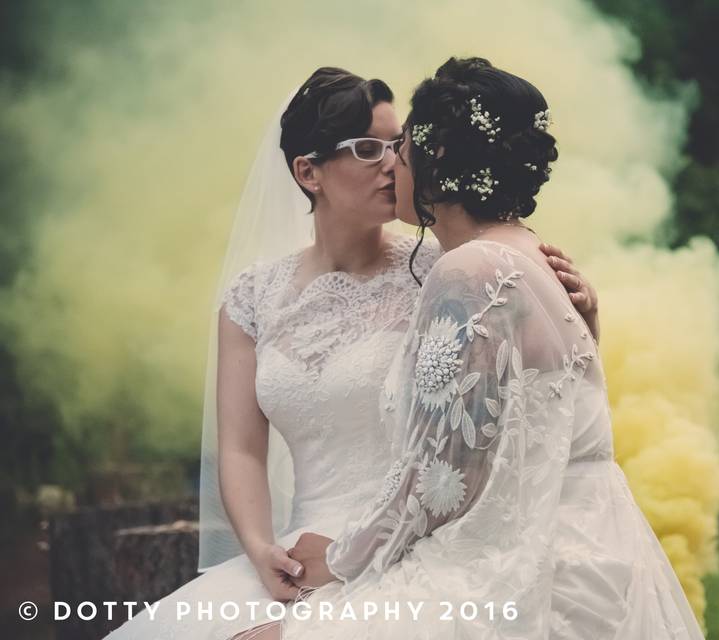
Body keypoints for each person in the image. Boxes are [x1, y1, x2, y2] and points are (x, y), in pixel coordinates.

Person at [103, 66, 597, 640]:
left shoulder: (450, 272)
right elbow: (239, 448)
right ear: (308, 171)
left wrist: (584, 317)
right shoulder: (251, 297)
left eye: (396, 144)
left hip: (418, 540)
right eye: (367, 148)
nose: (393, 162)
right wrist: (262, 548)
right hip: (300, 549)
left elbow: (524, 402)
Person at [277, 57, 705, 640]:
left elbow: (445, 477)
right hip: (592, 542)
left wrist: (344, 558)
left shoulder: (468, 273)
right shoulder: (529, 254)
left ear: (438, 160)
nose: (392, 163)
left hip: (521, 559)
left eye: (402, 146)